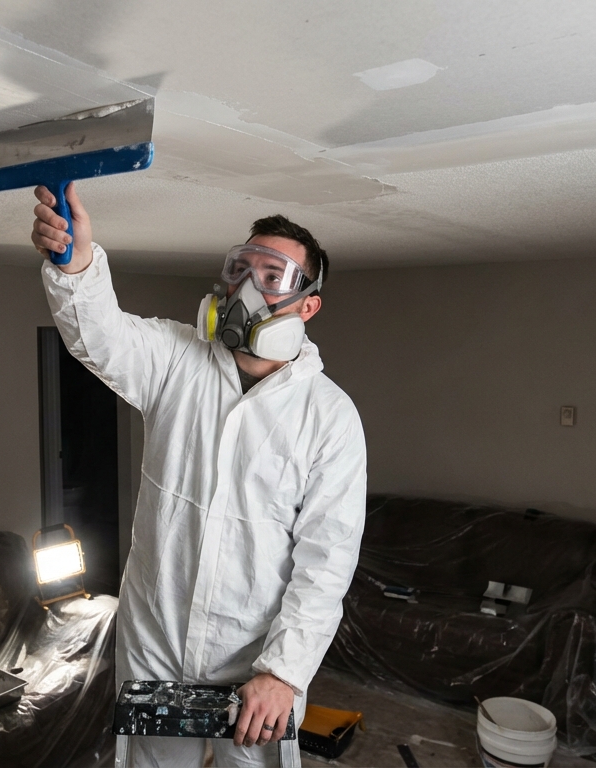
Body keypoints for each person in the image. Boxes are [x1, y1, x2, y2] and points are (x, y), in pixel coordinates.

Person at [31, 183, 367, 767]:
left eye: (271, 275)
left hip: (255, 661)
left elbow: (326, 563)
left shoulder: (329, 417)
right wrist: (76, 260)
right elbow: (99, 337)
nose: (246, 287)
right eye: (241, 268)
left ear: (307, 304)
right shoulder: (177, 359)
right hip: (156, 637)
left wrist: (284, 673)